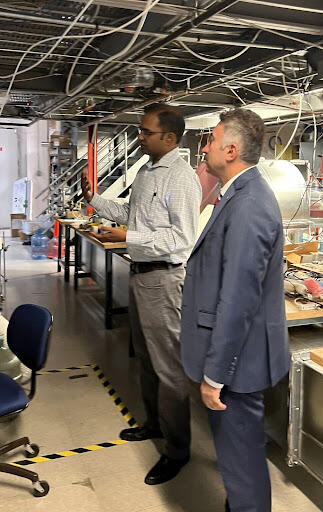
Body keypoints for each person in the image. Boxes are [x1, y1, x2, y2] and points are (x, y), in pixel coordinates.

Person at [81, 103, 202, 485]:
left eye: (145, 132)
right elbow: (132, 212)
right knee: (147, 359)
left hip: (164, 280)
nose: (139, 137)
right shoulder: (148, 172)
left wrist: (128, 238)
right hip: (141, 276)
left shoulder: (181, 178)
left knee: (169, 368)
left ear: (169, 137)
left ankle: (177, 450)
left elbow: (181, 238)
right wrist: (95, 200)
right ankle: (155, 423)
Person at [180, 108, 290, 512]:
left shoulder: (249, 204)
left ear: (230, 149)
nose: (204, 146)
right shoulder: (236, 195)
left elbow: (239, 299)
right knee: (237, 456)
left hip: (236, 364)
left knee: (241, 463)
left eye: (209, 139)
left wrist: (215, 374)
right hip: (236, 357)